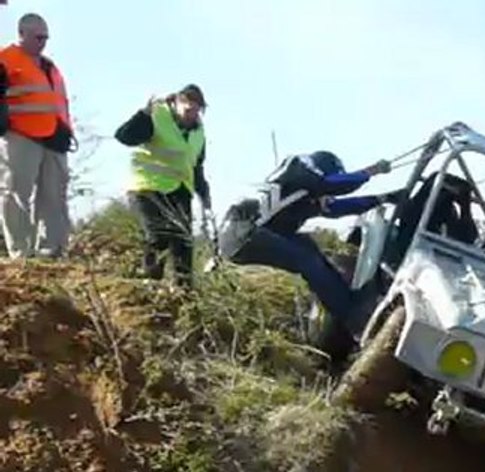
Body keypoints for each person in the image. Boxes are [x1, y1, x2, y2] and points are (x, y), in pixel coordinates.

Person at [217, 150, 403, 340]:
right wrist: (371, 171)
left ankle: (347, 303)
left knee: (308, 247)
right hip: (240, 233)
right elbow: (333, 185)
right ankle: (352, 317)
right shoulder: (299, 166)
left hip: (251, 235)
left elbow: (337, 207)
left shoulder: (305, 194)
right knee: (305, 259)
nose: (327, 198)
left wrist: (382, 199)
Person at [114, 84, 211, 287]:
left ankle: (185, 293)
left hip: (180, 190)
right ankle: (150, 284)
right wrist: (142, 115)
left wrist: (205, 196)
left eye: (196, 111)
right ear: (175, 103)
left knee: (183, 244)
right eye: (188, 110)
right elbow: (124, 137)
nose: (191, 115)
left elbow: (196, 167)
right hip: (148, 187)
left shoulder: (198, 133)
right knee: (158, 236)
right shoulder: (156, 117)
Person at [0, 13, 74, 259]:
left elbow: (59, 102)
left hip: (54, 139)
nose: (43, 42)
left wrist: (66, 132)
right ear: (21, 34)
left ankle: (49, 252)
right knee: (16, 193)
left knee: (53, 197)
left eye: (46, 37)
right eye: (38, 37)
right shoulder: (5, 59)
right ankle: (20, 252)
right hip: (21, 135)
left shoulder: (49, 66)